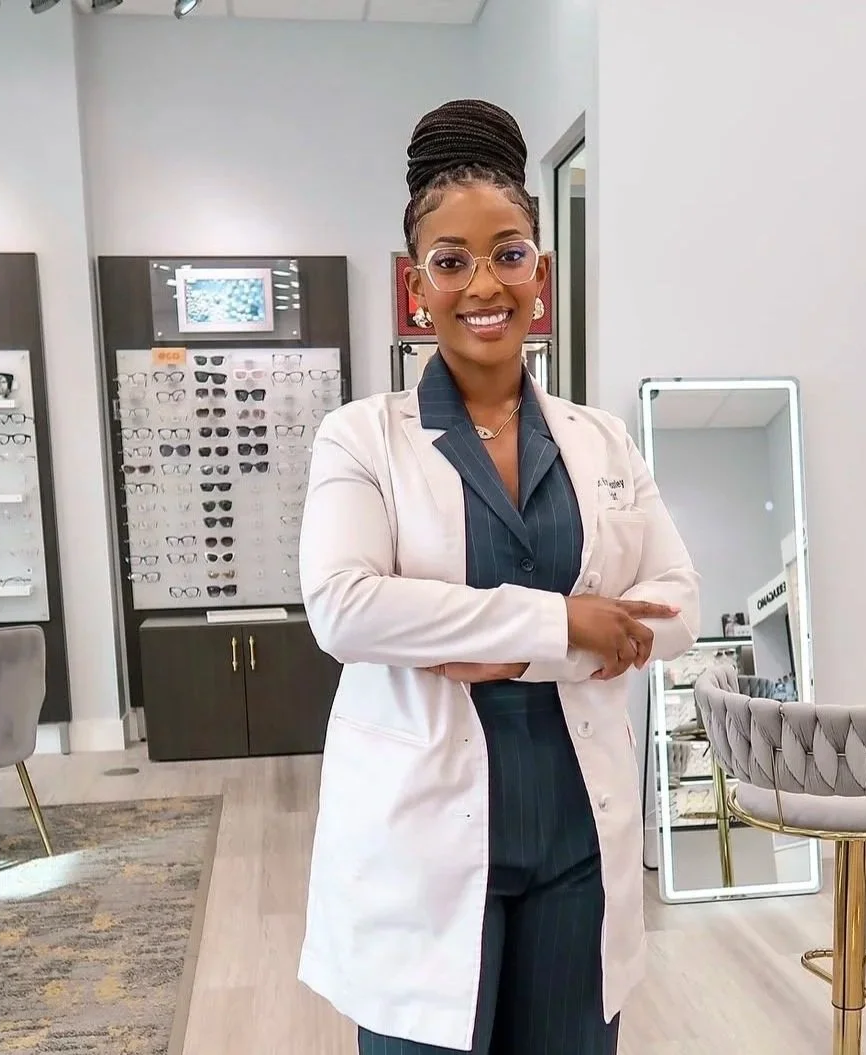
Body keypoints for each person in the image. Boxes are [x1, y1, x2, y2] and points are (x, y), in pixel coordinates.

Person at [297, 99, 700, 1054]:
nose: (485, 282)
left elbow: (676, 599)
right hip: (423, 839)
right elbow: (346, 608)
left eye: (509, 253)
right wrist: (565, 627)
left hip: (575, 829)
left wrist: (497, 649)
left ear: (540, 274)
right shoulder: (362, 437)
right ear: (416, 287)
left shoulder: (599, 436)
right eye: (452, 260)